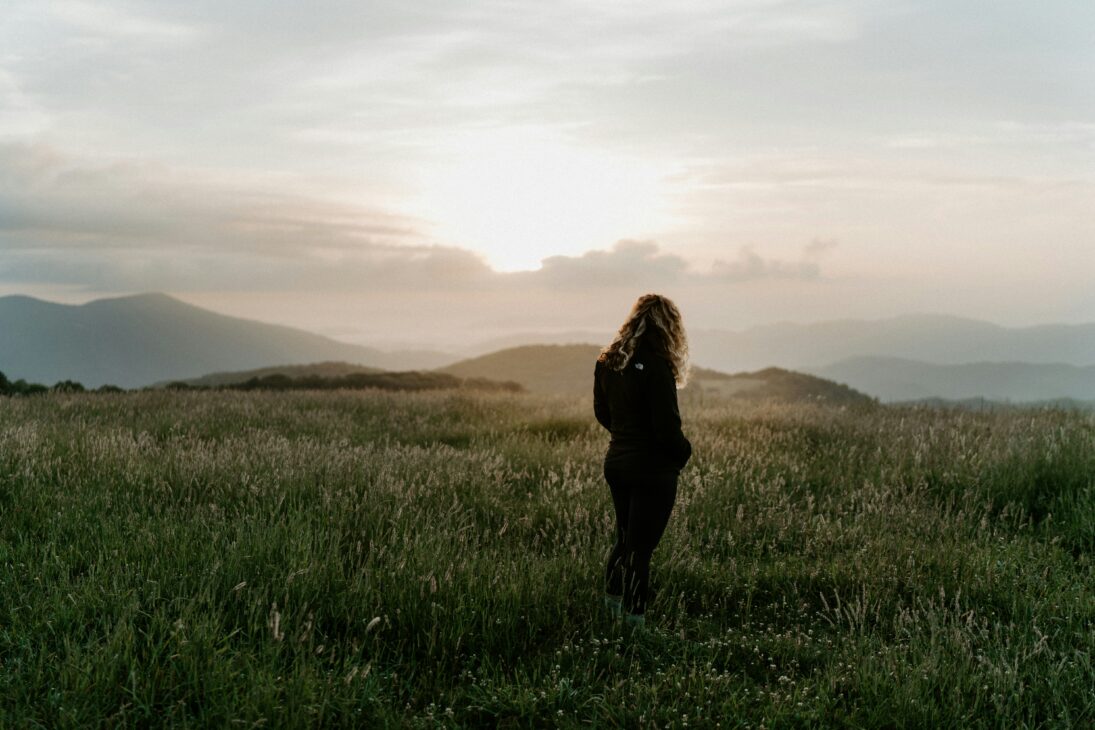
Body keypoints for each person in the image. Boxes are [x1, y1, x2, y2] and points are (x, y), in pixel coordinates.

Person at [593, 293, 692, 629]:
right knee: (641, 551)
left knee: (624, 541)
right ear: (669, 326)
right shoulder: (657, 365)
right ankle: (635, 628)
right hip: (653, 471)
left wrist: (625, 437)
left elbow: (602, 412)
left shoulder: (607, 360)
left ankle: (611, 615)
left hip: (618, 463)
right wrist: (683, 454)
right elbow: (667, 428)